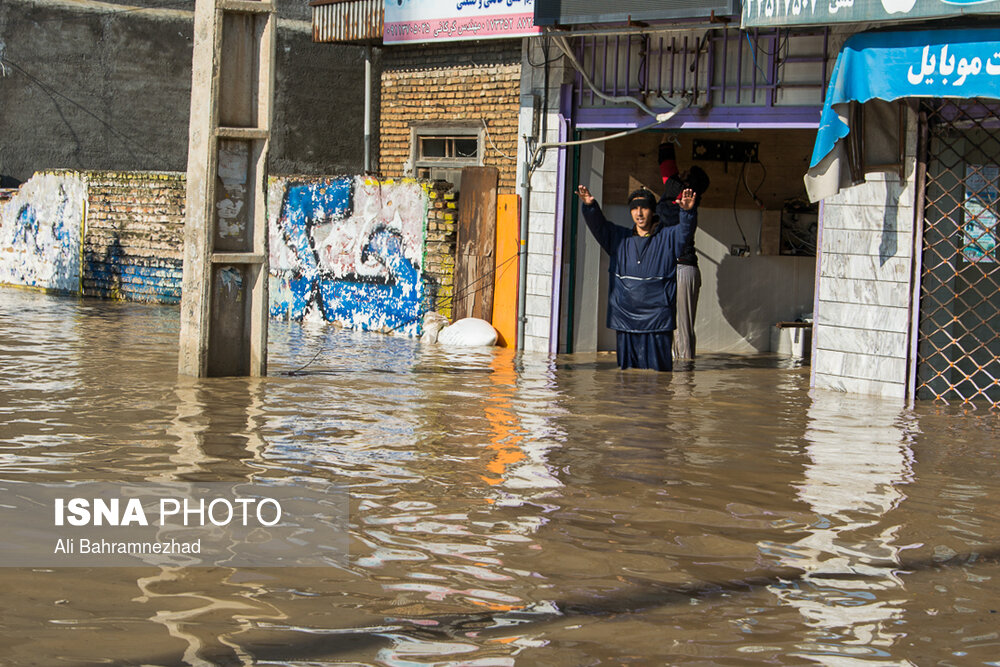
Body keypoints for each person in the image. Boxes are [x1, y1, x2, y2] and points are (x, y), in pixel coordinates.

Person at [576, 183, 697, 371]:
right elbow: (600, 228)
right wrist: (590, 207)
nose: (639, 213)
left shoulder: (668, 238)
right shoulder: (619, 239)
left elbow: (685, 232)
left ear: (652, 210)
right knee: (627, 380)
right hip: (626, 321)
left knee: (660, 380)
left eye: (644, 208)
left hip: (658, 320)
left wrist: (688, 213)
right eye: (634, 208)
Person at [656, 140, 710, 360]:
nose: (681, 173)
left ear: (688, 185)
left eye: (685, 173)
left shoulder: (681, 194)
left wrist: (666, 142)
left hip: (681, 267)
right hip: (677, 267)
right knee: (678, 325)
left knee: (680, 327)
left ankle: (684, 375)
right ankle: (679, 374)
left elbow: (666, 167)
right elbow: (667, 167)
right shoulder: (682, 197)